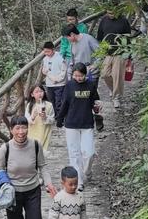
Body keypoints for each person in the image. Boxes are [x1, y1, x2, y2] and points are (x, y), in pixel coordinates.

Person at [57, 62, 100, 190]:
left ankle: (87, 171)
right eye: (75, 75)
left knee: (89, 153)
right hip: (71, 124)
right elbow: (64, 103)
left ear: (85, 75)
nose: (78, 78)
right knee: (74, 154)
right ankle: (79, 181)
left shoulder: (91, 85)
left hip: (86, 123)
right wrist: (60, 119)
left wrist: (98, 108)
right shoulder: (69, 85)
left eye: (80, 76)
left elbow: (95, 102)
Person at [97, 3, 131, 109]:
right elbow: (100, 37)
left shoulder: (124, 21)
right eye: (108, 13)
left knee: (117, 75)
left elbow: (128, 38)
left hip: (120, 52)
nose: (110, 15)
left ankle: (116, 97)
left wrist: (129, 55)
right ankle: (113, 89)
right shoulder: (104, 20)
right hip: (108, 52)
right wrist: (101, 52)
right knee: (104, 74)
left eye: (112, 13)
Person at [25, 84, 55, 153]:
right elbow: (26, 121)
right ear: (32, 94)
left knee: (41, 153)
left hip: (44, 132)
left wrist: (45, 117)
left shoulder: (49, 105)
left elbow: (52, 120)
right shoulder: (30, 105)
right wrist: (32, 116)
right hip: (32, 133)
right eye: (37, 92)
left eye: (41, 91)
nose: (39, 94)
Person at [41, 41, 67, 116]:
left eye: (48, 51)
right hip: (49, 84)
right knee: (51, 101)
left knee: (59, 101)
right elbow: (44, 70)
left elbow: (63, 72)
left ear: (53, 49)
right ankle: (54, 115)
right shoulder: (45, 59)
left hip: (59, 84)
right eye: (45, 51)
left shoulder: (60, 58)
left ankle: (60, 117)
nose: (46, 53)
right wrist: (44, 71)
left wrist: (57, 79)